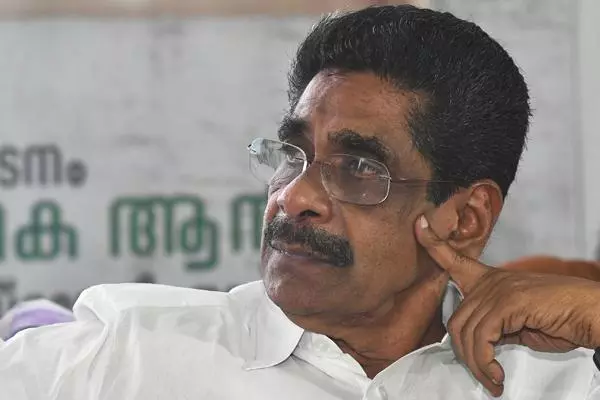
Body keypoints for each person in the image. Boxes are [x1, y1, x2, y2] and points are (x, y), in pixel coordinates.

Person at [1, 5, 600, 399]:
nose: (294, 196)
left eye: (359, 167)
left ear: (465, 220)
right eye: (293, 155)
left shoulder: (559, 383)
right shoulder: (123, 358)